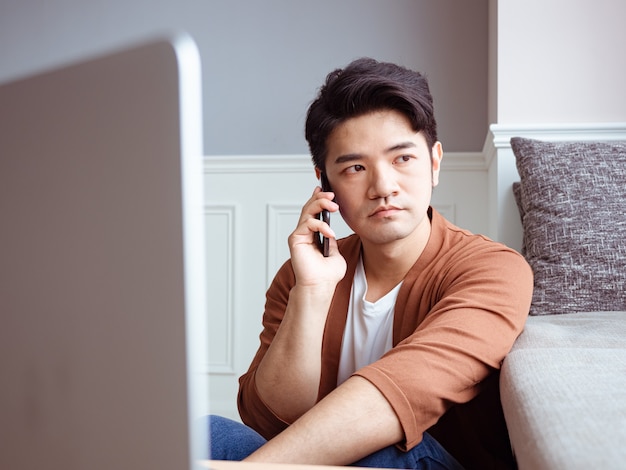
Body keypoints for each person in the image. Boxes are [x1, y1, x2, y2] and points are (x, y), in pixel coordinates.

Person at [209, 58, 533, 469]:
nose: (383, 187)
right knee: (208, 433)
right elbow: (270, 419)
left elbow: (401, 393)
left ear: (434, 162)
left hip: (419, 461)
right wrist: (312, 292)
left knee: (384, 451)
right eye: (355, 168)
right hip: (307, 460)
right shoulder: (303, 272)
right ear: (325, 183)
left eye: (402, 159)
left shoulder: (492, 270)